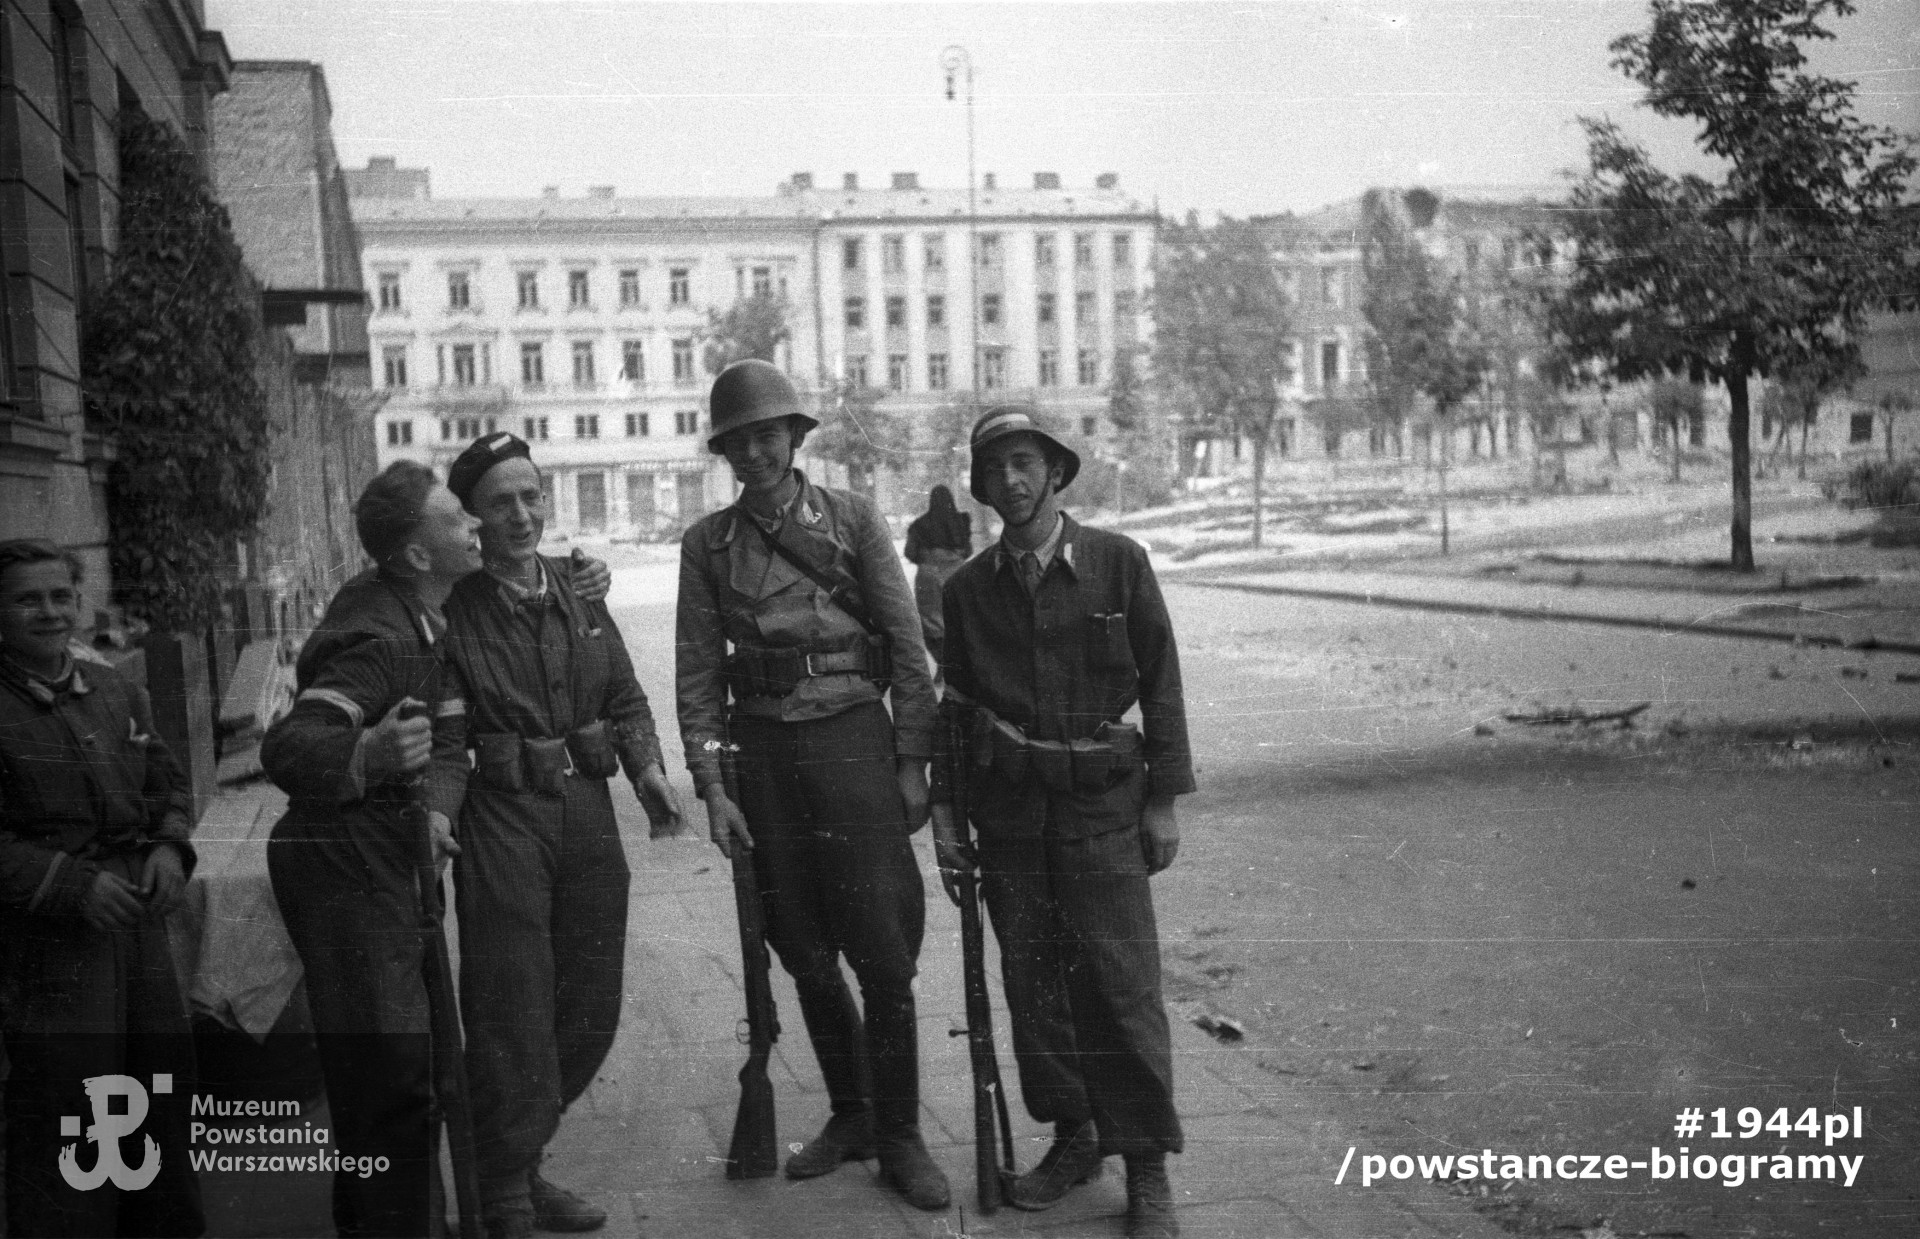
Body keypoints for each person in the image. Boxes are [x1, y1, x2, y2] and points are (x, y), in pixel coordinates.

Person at [675, 358, 949, 1210]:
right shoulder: (706, 545)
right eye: (738, 440)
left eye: (768, 434)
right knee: (799, 942)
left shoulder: (853, 521)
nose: (755, 451)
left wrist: (911, 763)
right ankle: (852, 1110)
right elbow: (696, 680)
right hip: (763, 758)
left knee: (881, 948)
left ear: (795, 438)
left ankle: (900, 1131)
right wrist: (713, 784)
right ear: (723, 450)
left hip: (853, 745)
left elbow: (908, 651)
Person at [930, 406, 1194, 1239]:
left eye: (1024, 462)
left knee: (1119, 984)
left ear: (1054, 472)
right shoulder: (970, 590)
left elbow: (1162, 681)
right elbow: (956, 707)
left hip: (1100, 811)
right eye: (996, 467)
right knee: (1035, 988)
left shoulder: (1118, 563)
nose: (1010, 480)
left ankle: (1145, 1165)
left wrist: (1162, 800)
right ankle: (1076, 1136)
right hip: (1011, 818)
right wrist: (945, 815)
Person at [438, 432, 685, 1239]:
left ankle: (519, 1154)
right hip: (503, 816)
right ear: (473, 517)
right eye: (501, 501)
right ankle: (507, 1186)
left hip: (586, 812)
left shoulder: (581, 592)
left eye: (531, 495)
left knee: (590, 1001)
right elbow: (444, 737)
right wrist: (438, 814)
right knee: (511, 1003)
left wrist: (647, 769)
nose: (521, 513)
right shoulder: (456, 612)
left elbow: (625, 694)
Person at [261, 462, 482, 1238]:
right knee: (387, 1077)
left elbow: (448, 742)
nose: (476, 526)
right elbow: (291, 747)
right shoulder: (378, 633)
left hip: (388, 856)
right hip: (345, 868)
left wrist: (435, 813)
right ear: (419, 555)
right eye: (459, 518)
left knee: (407, 1069)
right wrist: (369, 757)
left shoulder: (424, 612)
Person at [0, 539, 202, 1238]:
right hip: (49, 940)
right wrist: (69, 885)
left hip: (137, 926)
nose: (50, 612)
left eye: (61, 596)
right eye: (28, 599)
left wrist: (170, 849)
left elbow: (168, 784)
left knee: (154, 1084)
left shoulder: (114, 688)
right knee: (71, 1097)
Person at [902, 484, 972, 665]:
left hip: (928, 574)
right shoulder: (962, 521)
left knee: (929, 621)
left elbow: (910, 552)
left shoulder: (919, 525)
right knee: (958, 616)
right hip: (957, 571)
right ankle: (957, 662)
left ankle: (942, 662)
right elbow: (968, 550)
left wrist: (927, 560)